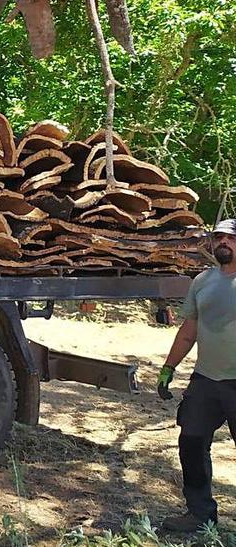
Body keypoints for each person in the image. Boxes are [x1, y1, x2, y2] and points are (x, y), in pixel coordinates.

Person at [156, 218, 236, 533]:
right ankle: (200, 514)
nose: (223, 244)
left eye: (229, 239)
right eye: (218, 238)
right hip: (206, 380)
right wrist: (168, 368)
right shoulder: (202, 281)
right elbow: (189, 330)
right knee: (191, 441)